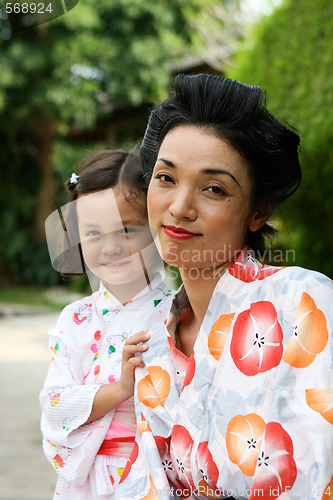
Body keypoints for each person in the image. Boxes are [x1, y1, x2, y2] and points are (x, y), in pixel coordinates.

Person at [113, 75, 333, 500]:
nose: (179, 208)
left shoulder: (302, 303)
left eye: (214, 188)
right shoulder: (151, 341)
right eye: (165, 178)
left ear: (258, 211)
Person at [40, 150, 175, 499]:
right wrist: (119, 389)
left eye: (128, 229)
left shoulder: (178, 311)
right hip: (84, 482)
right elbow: (55, 404)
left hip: (151, 473)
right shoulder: (75, 319)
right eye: (94, 233)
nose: (112, 247)